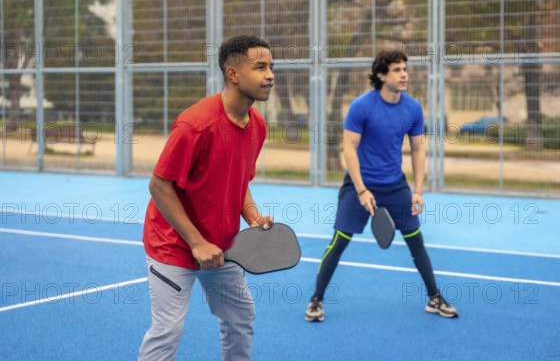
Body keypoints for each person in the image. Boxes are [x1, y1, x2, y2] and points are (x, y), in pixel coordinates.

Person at [138, 35, 275, 361]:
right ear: (233, 74)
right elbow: (159, 185)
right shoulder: (196, 124)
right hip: (173, 246)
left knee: (241, 319)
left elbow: (238, 181)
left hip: (222, 247)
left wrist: (252, 216)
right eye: (260, 67)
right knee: (167, 332)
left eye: (271, 66)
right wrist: (197, 243)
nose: (270, 74)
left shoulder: (256, 124)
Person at [305, 50, 459, 322]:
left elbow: (418, 151)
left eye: (405, 69)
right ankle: (316, 300)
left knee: (416, 241)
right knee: (339, 241)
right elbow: (349, 149)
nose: (404, 75)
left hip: (395, 185)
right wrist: (362, 190)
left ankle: (434, 297)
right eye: (397, 70)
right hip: (359, 185)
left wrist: (419, 190)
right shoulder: (362, 106)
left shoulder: (412, 108)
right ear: (381, 75)